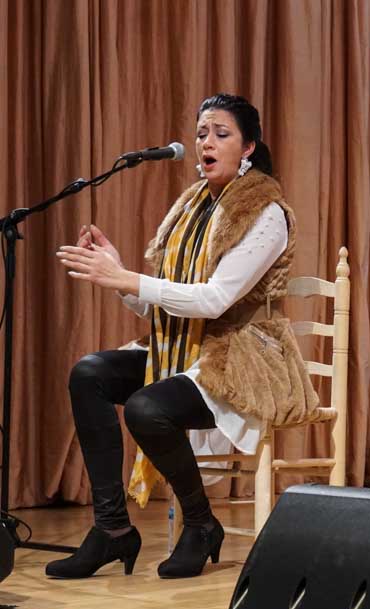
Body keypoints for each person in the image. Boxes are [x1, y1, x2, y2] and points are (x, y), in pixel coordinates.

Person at [48, 93, 321, 580]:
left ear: (249, 147)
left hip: (241, 354)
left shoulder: (266, 212)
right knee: (89, 374)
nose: (206, 143)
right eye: (200, 134)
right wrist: (119, 277)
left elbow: (214, 300)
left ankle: (201, 524)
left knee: (146, 407)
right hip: (181, 345)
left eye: (221, 134)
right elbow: (165, 302)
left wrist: (129, 278)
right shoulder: (192, 208)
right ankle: (112, 528)